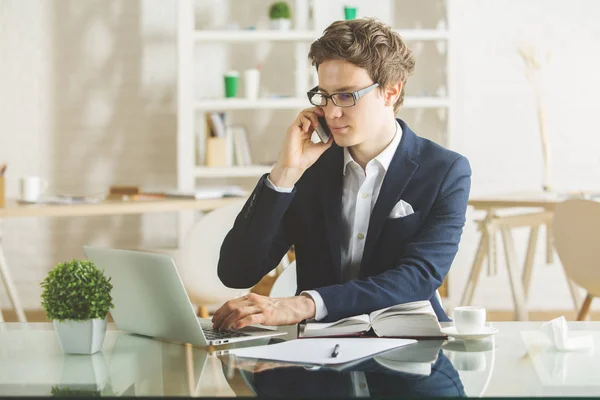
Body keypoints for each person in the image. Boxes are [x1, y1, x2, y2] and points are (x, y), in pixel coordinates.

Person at [212, 17, 471, 331]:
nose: (332, 113)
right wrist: (285, 173)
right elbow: (236, 272)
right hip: (317, 354)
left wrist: (306, 304)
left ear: (391, 91)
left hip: (411, 345)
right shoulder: (310, 169)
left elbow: (417, 277)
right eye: (325, 96)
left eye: (347, 96)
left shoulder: (445, 171)